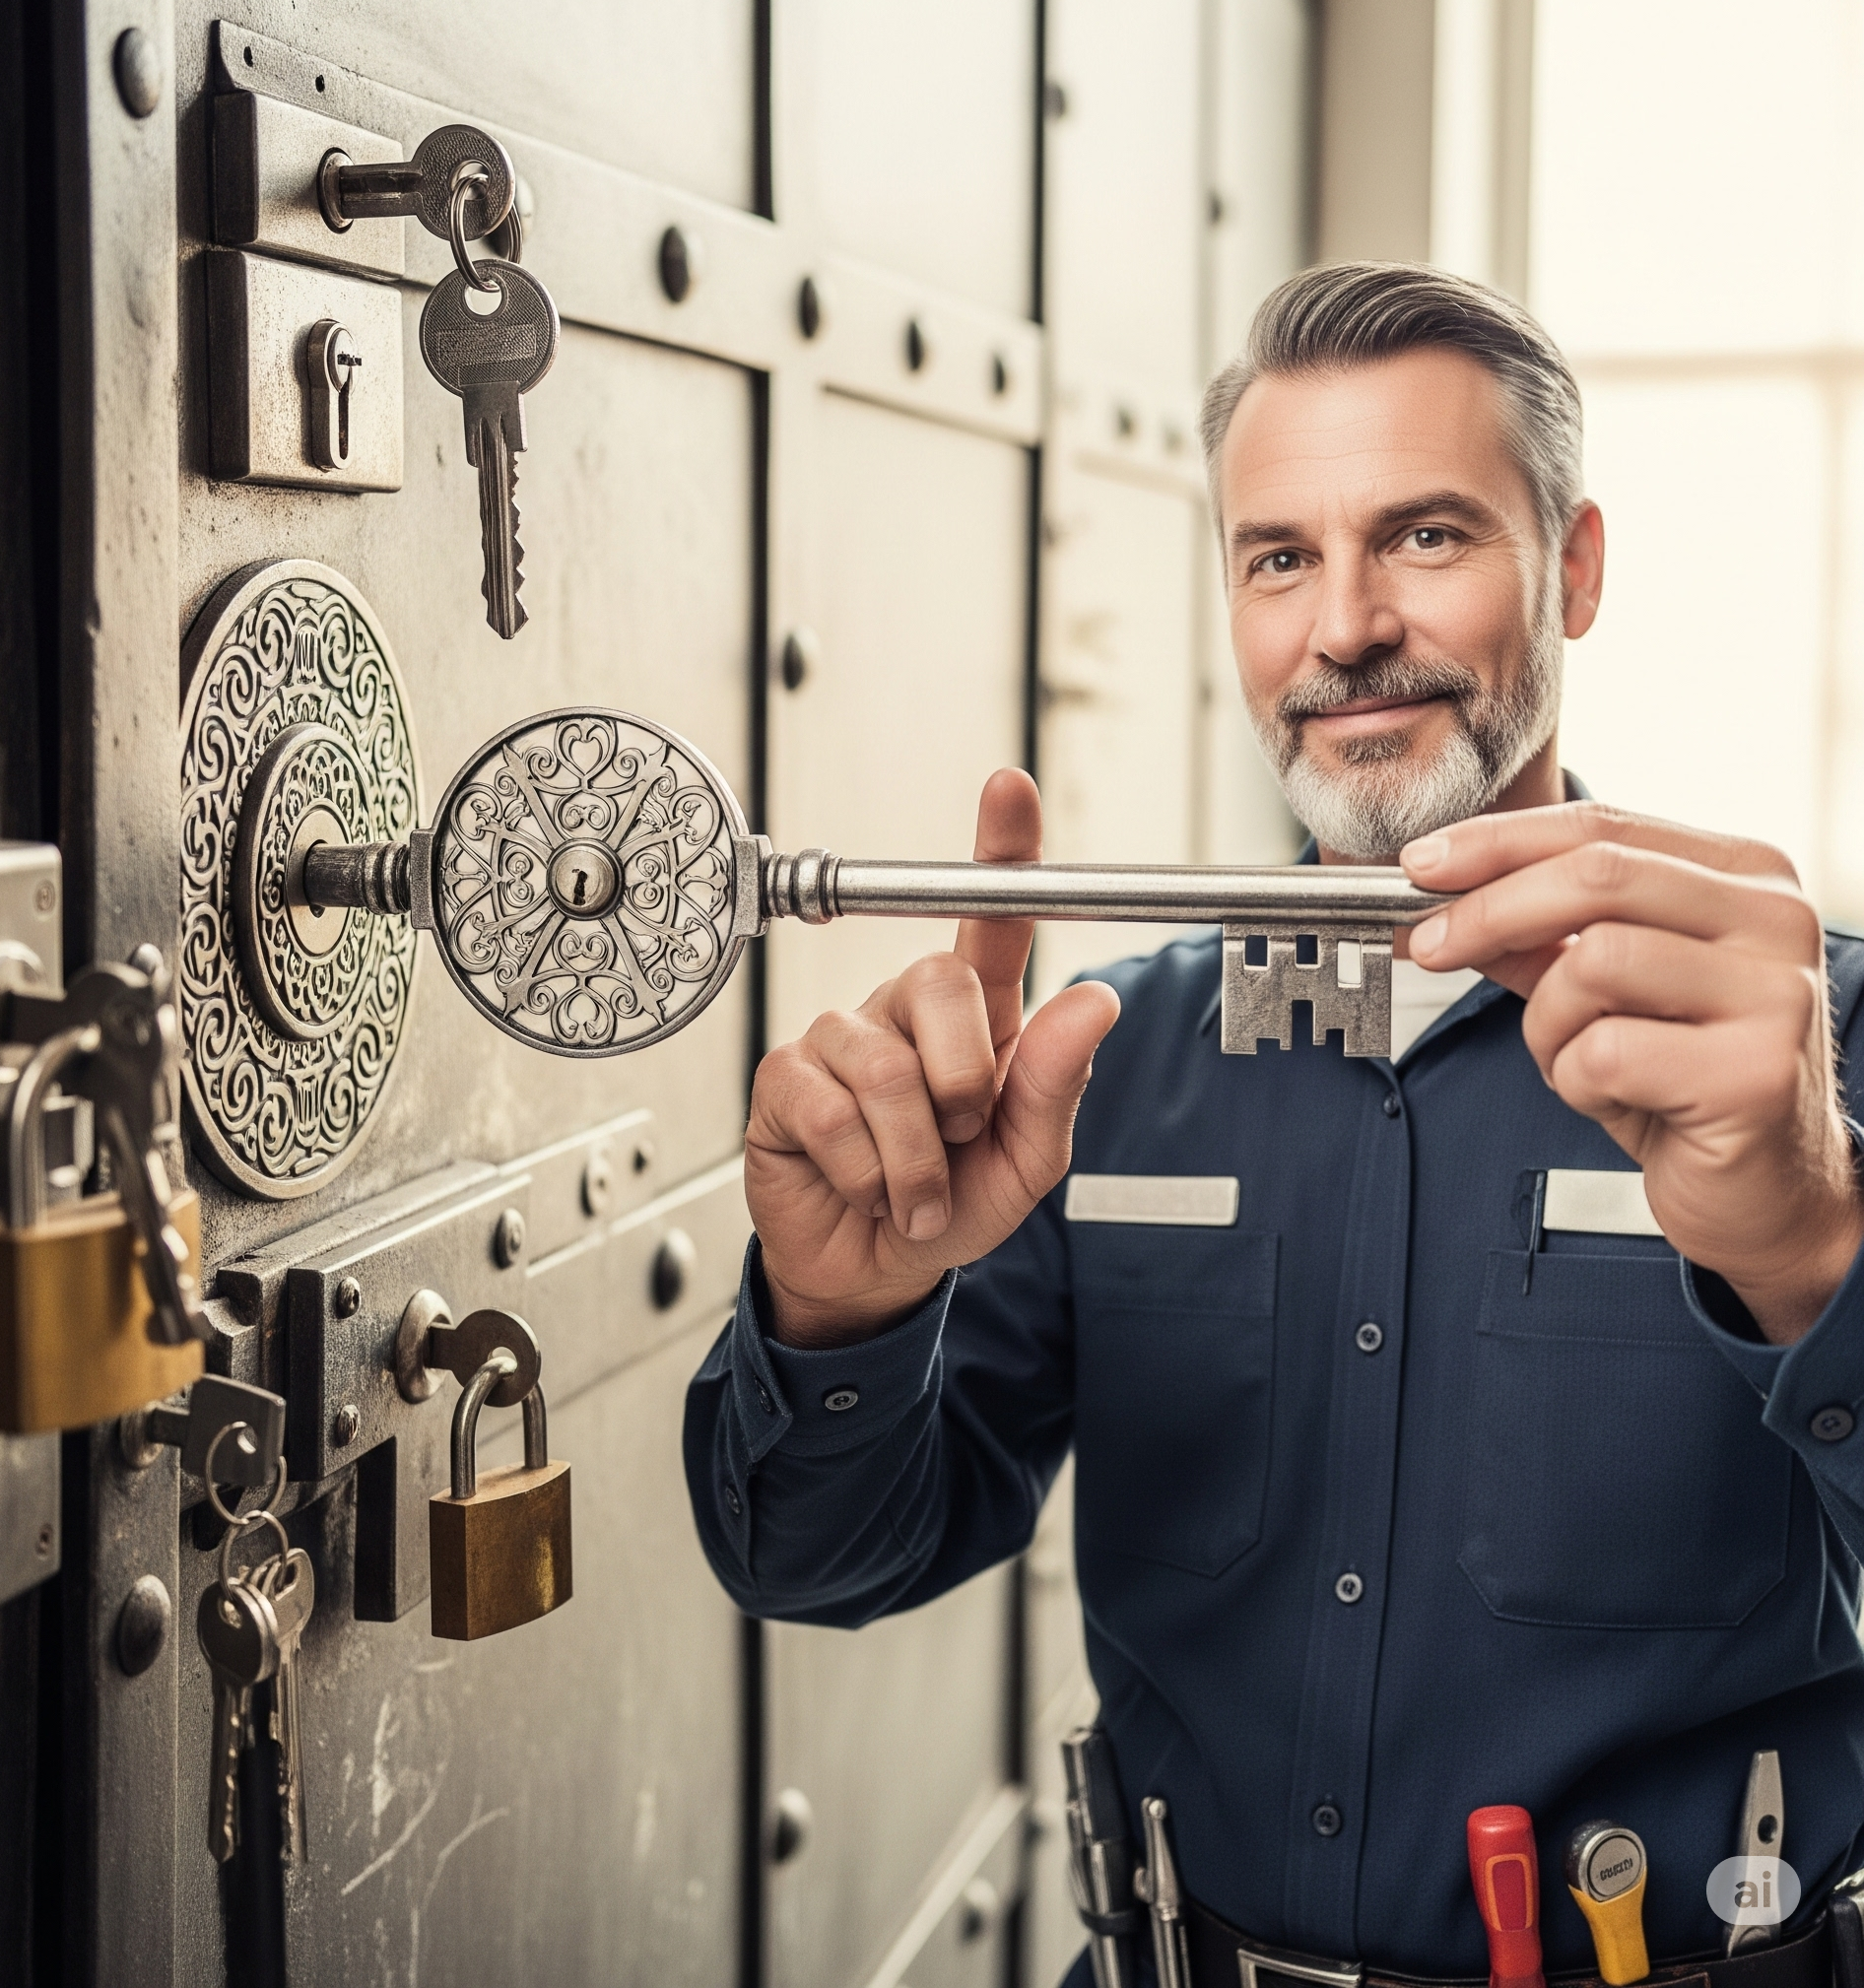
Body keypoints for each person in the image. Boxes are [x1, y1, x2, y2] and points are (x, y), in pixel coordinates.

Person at [682, 262, 1864, 1983]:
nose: (1347, 628)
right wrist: (842, 1313)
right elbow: (813, 1557)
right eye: (1281, 558)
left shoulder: (1818, 1039)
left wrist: (1815, 1253)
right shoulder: (1109, 1061)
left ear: (1576, 569)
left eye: (1431, 537)